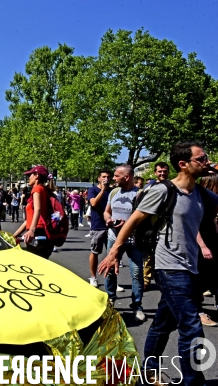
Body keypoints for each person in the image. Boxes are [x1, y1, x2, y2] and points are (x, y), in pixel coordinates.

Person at [99, 141, 218, 386]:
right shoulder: (164, 190)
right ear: (183, 164)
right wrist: (114, 251)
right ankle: (193, 381)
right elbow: (134, 219)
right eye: (202, 158)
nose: (207, 161)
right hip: (169, 266)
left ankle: (148, 371)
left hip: (190, 266)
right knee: (191, 326)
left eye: (207, 158)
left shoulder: (201, 193)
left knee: (163, 323)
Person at [103, 165, 145, 321]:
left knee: (136, 273)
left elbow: (144, 218)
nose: (113, 178)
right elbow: (107, 211)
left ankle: (137, 305)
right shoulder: (114, 192)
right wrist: (109, 220)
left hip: (134, 240)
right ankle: (110, 298)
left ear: (126, 177)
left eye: (116, 176)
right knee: (110, 270)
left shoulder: (140, 194)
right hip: (113, 238)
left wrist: (127, 224)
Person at [13, 166, 54, 259]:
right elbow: (29, 220)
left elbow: (38, 210)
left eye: (30, 175)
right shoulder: (43, 189)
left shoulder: (37, 189)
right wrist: (14, 236)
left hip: (38, 234)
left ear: (36, 176)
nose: (28, 178)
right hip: (41, 233)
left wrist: (31, 230)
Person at [142, 161, 171, 291]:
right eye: (160, 171)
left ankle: (164, 281)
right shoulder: (150, 187)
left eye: (164, 171)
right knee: (148, 255)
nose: (162, 173)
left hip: (167, 225)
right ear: (155, 173)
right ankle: (146, 280)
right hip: (151, 226)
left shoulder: (173, 186)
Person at [196, 173, 218, 326]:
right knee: (198, 280)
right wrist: (203, 246)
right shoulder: (199, 203)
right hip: (201, 246)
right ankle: (199, 312)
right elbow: (193, 226)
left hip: (211, 243)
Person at [87, 170, 111, 287]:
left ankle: (111, 281)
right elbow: (94, 204)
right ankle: (93, 277)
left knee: (112, 254)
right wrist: (102, 190)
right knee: (95, 252)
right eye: (103, 177)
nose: (106, 179)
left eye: (108, 177)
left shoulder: (112, 191)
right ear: (99, 178)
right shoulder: (93, 190)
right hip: (98, 226)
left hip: (110, 226)